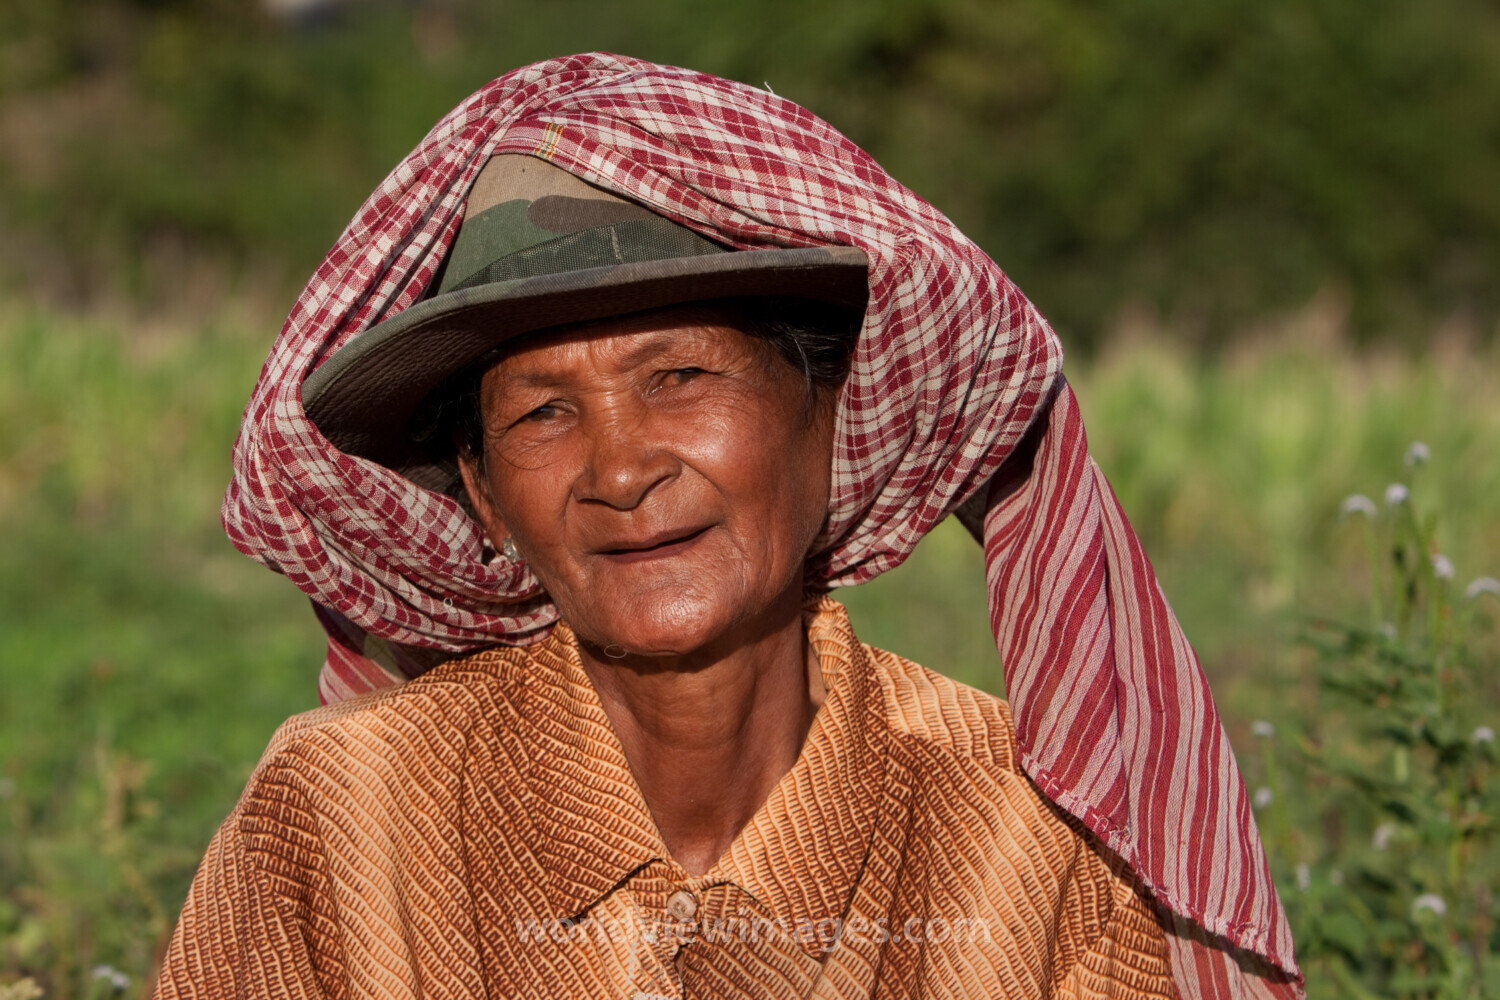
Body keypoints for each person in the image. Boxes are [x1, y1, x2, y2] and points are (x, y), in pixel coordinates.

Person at [153, 53, 1301, 999]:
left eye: (682, 375)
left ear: (829, 420)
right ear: (486, 496)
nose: (621, 468)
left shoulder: (1030, 845)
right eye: (544, 412)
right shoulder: (344, 818)